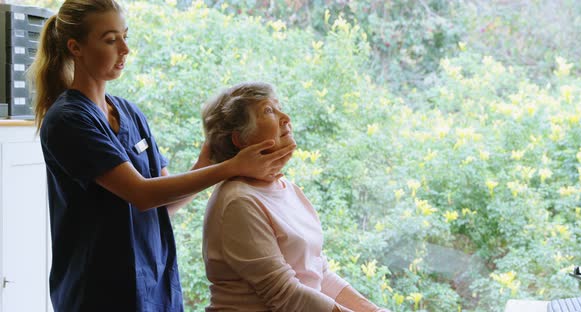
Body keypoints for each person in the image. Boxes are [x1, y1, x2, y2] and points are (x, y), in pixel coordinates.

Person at [27, 1, 295, 311]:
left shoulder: (129, 113)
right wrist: (232, 167)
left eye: (125, 36)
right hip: (98, 293)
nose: (125, 49)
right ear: (76, 47)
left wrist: (206, 161)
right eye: (111, 39)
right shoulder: (68, 120)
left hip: (156, 288)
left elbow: (160, 206)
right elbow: (141, 194)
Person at [201, 82, 391, 312]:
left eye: (279, 107)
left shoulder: (286, 188)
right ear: (240, 139)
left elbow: (319, 273)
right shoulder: (238, 201)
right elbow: (286, 296)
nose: (285, 117)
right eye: (269, 111)